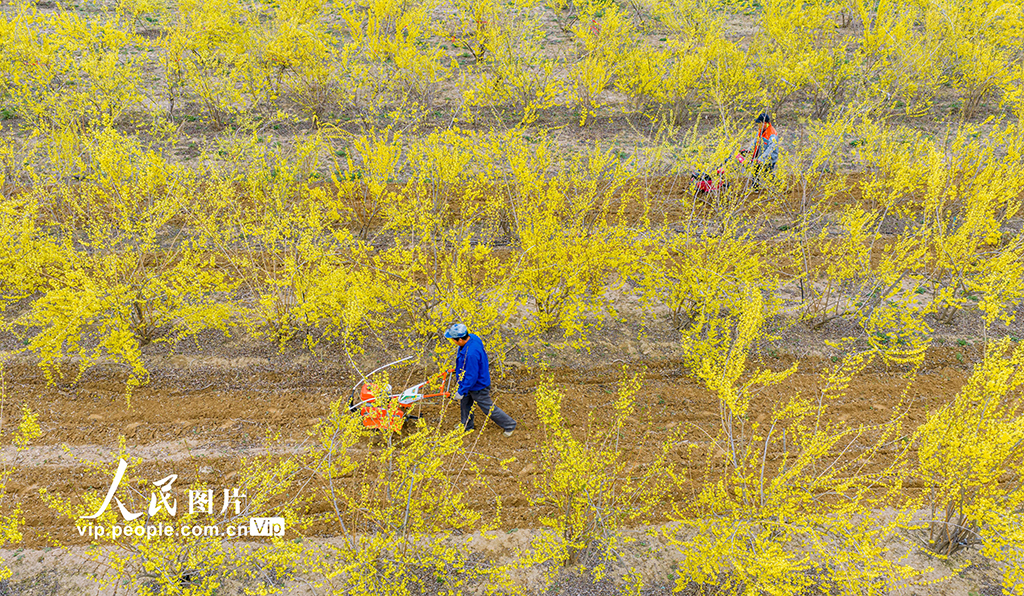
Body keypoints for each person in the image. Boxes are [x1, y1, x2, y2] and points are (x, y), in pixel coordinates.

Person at [444, 323, 516, 437]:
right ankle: (466, 426)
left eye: (453, 339)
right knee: (465, 404)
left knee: (488, 408)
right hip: (468, 383)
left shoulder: (471, 354)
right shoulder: (472, 338)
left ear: (460, 339)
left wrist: (461, 391)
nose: (453, 341)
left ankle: (509, 424)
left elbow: (471, 376)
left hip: (478, 386)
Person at [752, 112, 779, 187]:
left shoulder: (772, 134)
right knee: (755, 169)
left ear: (765, 123)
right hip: (761, 156)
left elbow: (771, 148)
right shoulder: (760, 131)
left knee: (767, 174)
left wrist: (762, 158)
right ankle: (755, 187)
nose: (758, 125)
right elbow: (755, 142)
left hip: (769, 158)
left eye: (760, 123)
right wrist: (750, 151)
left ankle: (779, 185)